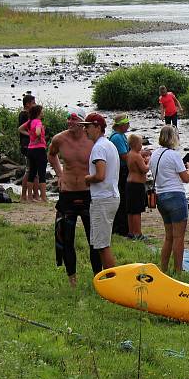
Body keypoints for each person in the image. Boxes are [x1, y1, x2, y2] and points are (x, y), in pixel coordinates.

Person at [49, 107, 99, 287]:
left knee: (93, 238)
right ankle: (72, 280)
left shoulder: (92, 140)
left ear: (82, 122)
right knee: (67, 238)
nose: (69, 122)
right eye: (68, 119)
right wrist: (60, 174)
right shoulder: (59, 139)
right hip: (68, 192)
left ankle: (97, 277)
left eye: (73, 119)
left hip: (87, 193)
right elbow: (51, 154)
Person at [149, 125, 189, 273]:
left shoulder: (154, 154)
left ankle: (163, 269)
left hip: (161, 196)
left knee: (168, 237)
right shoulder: (174, 155)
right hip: (175, 195)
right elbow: (186, 178)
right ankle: (178, 270)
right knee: (179, 237)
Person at [80, 113, 120, 272]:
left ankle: (112, 281)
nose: (85, 130)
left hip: (102, 199)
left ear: (98, 127)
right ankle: (108, 279)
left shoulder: (98, 147)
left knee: (102, 245)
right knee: (102, 242)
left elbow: (100, 175)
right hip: (111, 196)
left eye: (87, 126)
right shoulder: (109, 144)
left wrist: (87, 178)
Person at [18, 104, 48, 202]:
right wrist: (38, 137)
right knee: (42, 173)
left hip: (30, 149)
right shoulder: (38, 122)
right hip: (39, 149)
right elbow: (38, 132)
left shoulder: (30, 121)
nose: (43, 113)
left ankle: (30, 197)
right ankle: (43, 197)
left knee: (32, 173)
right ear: (38, 113)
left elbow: (20, 129)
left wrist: (30, 134)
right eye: (42, 112)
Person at [108, 113, 131, 237]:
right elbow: (124, 156)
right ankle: (120, 228)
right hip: (121, 171)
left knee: (124, 199)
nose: (128, 125)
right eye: (127, 123)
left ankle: (122, 226)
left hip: (122, 170)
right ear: (121, 125)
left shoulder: (122, 136)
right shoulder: (117, 137)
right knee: (122, 199)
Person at [126, 134, 150, 240]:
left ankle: (131, 232)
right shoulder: (136, 155)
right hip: (137, 185)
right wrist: (149, 161)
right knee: (137, 211)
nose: (142, 145)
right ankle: (138, 233)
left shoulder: (130, 154)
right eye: (141, 143)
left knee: (131, 210)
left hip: (130, 184)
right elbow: (144, 169)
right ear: (136, 145)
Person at [18, 94, 38, 201]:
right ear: (27, 104)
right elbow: (24, 128)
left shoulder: (26, 114)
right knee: (30, 170)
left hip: (29, 144)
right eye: (33, 103)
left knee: (32, 170)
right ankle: (25, 195)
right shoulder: (25, 114)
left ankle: (33, 194)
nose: (34, 105)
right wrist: (31, 134)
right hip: (27, 145)